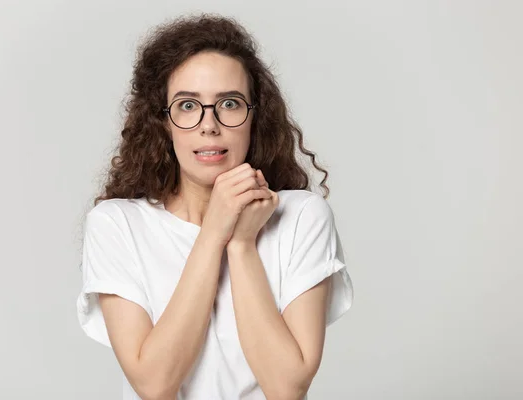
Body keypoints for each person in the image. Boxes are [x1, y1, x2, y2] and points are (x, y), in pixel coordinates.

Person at [76, 13, 354, 400]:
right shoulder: (116, 225)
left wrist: (241, 246)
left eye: (229, 103)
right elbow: (155, 385)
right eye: (188, 106)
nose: (210, 125)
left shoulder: (302, 216)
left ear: (255, 118)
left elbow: (287, 387)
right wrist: (215, 232)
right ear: (163, 123)